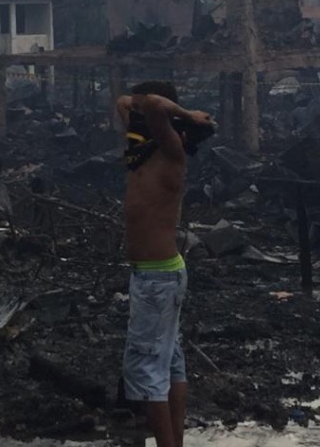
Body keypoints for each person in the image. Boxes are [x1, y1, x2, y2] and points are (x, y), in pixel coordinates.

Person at [115, 81, 214, 447]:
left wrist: (187, 115)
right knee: (169, 360)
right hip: (158, 276)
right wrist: (140, 108)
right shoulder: (141, 151)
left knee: (145, 367)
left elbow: (152, 104)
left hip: (158, 278)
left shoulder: (171, 152)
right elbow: (124, 101)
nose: (133, 116)